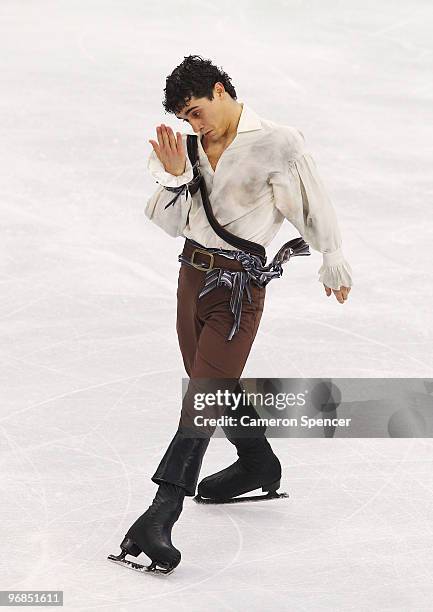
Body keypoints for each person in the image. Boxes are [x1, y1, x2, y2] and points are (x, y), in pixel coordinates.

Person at [108, 55, 353, 575]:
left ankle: (160, 514)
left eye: (196, 112)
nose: (193, 126)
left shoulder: (278, 143)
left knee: (204, 394)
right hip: (189, 281)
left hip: (237, 290)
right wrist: (177, 178)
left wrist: (331, 255)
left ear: (220, 90)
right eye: (186, 119)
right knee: (212, 386)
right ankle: (258, 464)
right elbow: (172, 223)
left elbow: (312, 202)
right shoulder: (193, 148)